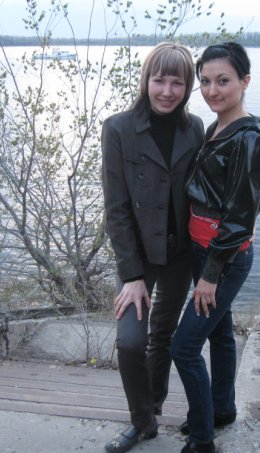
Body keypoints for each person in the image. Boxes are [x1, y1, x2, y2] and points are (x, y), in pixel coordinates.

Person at [171, 42, 260, 453]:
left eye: (223, 81)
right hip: (205, 250)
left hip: (223, 258)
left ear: (244, 81)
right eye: (205, 82)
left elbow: (239, 217)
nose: (212, 91)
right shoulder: (217, 128)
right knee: (219, 335)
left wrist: (210, 275)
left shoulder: (250, 139)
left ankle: (202, 439)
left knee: (184, 347)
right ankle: (221, 409)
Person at [101, 42, 204, 453]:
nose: (167, 91)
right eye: (159, 80)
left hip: (180, 255)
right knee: (130, 342)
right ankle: (140, 420)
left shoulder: (194, 129)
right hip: (139, 258)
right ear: (146, 80)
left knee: (163, 334)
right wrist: (131, 276)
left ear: (188, 86)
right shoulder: (118, 128)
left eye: (177, 82)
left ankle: (152, 412)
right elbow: (116, 207)